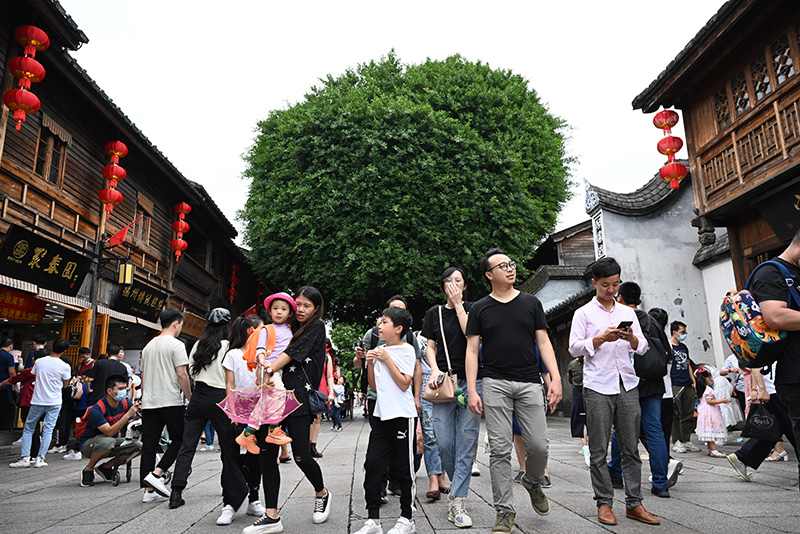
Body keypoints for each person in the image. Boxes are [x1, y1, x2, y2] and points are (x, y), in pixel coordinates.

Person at [465, 248, 562, 533]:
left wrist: (555, 378)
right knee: (500, 450)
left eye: (511, 264)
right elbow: (472, 351)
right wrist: (472, 389)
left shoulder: (531, 303)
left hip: (530, 382)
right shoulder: (480, 308)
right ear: (489, 274)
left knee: (539, 446)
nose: (510, 268)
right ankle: (504, 511)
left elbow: (543, 342)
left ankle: (532, 481)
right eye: (503, 266)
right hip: (495, 383)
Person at [568, 257, 659, 526]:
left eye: (616, 284)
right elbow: (574, 348)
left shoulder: (627, 312)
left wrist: (631, 338)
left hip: (627, 383)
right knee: (598, 449)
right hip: (597, 384)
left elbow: (643, 347)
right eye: (606, 285)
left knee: (631, 448)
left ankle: (634, 503)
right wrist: (600, 339)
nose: (611, 290)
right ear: (594, 283)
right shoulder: (583, 313)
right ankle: (604, 503)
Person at [243, 286, 332, 533]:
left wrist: (269, 369)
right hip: (273, 398)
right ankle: (272, 515)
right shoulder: (284, 326)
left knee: (302, 456)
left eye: (307, 306)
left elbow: (293, 353)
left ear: (316, 308)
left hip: (298, 400)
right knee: (267, 454)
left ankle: (322, 493)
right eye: (298, 304)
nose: (301, 309)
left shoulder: (316, 327)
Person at [170, 307, 259, 518]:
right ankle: (230, 492)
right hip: (221, 397)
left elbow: (191, 372)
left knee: (187, 446)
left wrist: (193, 395)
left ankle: (176, 492)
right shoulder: (229, 347)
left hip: (199, 397)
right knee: (228, 448)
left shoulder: (198, 345)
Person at [422, 266, 480, 528]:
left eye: (459, 280)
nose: (454, 284)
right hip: (444, 383)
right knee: (443, 442)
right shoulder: (434, 313)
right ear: (442, 285)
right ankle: (459, 487)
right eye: (449, 280)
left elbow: (472, 337)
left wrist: (458, 306)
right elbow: (430, 346)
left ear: (465, 286)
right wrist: (434, 369)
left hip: (471, 382)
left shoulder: (474, 309)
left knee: (467, 440)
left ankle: (457, 499)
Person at [354, 306, 418, 534]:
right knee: (373, 465)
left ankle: (407, 518)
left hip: (402, 416)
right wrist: (370, 362)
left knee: (404, 468)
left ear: (398, 329)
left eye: (384, 322)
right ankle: (373, 520)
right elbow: (373, 385)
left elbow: (404, 383)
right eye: (379, 322)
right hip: (381, 415)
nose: (379, 326)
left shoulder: (408, 350)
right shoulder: (378, 350)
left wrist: (386, 359)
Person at [606, 282, 672, 498]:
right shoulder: (653, 321)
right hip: (653, 382)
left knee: (622, 428)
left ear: (620, 298)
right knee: (654, 430)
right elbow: (667, 353)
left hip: (629, 381)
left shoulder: (621, 319)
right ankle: (661, 482)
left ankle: (615, 472)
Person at [139, 308, 192, 503]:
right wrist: (190, 397)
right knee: (180, 439)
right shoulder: (176, 345)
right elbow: (182, 374)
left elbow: (143, 376)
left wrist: (145, 397)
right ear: (176, 323)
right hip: (170, 400)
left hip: (149, 403)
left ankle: (148, 491)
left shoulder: (148, 346)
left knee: (149, 446)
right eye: (181, 325)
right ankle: (157, 474)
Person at [221, 315, 268, 527]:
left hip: (260, 411)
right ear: (251, 332)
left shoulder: (263, 356)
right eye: (261, 330)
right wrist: (232, 413)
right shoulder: (232, 355)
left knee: (255, 457)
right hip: (237, 410)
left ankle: (253, 499)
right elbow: (229, 385)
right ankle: (229, 504)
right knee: (231, 456)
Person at [236, 293, 297, 453]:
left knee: (264, 402)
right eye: (275, 308)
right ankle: (274, 428)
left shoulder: (290, 330)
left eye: (283, 309)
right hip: (268, 366)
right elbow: (260, 348)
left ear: (290, 313)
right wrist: (262, 362)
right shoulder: (266, 329)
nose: (279, 312)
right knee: (280, 393)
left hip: (278, 368)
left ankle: (248, 433)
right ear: (270, 312)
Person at [727, 362, 798, 481]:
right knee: (792, 427)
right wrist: (760, 389)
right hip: (775, 390)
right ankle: (743, 456)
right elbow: (756, 365)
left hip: (778, 389)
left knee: (777, 428)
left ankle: (743, 456)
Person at [10, 338, 72, 468]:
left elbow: (34, 374)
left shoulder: (39, 362)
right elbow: (65, 385)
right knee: (48, 430)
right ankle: (40, 458)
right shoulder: (65, 366)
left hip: (38, 399)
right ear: (65, 351)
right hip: (55, 401)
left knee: (29, 428)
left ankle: (25, 458)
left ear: (52, 347)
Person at [77, 374, 142, 487]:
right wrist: (127, 415)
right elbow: (109, 432)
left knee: (139, 446)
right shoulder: (97, 409)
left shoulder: (125, 403)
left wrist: (137, 414)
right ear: (110, 391)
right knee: (108, 441)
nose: (124, 392)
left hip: (110, 442)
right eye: (120, 389)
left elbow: (130, 422)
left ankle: (106, 467)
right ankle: (88, 469)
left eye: (125, 388)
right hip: (89, 445)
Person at [416, 329, 448, 501]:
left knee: (443, 436)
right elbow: (416, 367)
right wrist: (416, 397)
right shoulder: (417, 337)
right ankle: (433, 480)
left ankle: (442, 477)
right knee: (429, 435)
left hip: (446, 383)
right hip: (425, 386)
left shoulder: (447, 332)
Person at [1, 348, 44, 456]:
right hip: (40, 401)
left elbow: (15, 378)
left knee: (29, 428)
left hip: (28, 401)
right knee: (36, 427)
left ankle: (28, 454)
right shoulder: (47, 371)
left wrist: (2, 384)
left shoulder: (32, 371)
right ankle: (35, 453)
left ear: (34, 359)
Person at [669, 320, 699, 453]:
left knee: (688, 413)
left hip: (687, 383)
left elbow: (688, 364)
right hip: (675, 383)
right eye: (682, 332)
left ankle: (686, 440)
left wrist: (693, 380)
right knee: (676, 413)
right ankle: (677, 441)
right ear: (674, 332)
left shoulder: (683, 347)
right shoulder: (668, 347)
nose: (684, 334)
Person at [693, 369, 729, 457]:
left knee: (708, 430)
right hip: (710, 411)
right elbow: (709, 401)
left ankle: (710, 449)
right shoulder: (708, 389)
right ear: (707, 379)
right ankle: (714, 450)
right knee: (711, 430)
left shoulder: (701, 389)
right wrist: (722, 401)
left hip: (703, 411)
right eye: (711, 377)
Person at [567, 354, 590, 467]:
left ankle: (585, 446)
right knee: (590, 419)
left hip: (577, 392)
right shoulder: (589, 363)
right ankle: (590, 446)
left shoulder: (572, 364)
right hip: (589, 391)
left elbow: (570, 379)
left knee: (580, 420)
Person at [0, 338, 17, 431]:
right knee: (4, 407)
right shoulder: (8, 356)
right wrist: (15, 381)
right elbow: (11, 371)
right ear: (10, 346)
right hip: (4, 386)